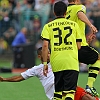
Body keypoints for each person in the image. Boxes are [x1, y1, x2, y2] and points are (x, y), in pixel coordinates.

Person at [41, 1, 82, 100]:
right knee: (70, 92)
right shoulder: (74, 25)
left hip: (57, 62)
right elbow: (79, 46)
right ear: (66, 12)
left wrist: (45, 63)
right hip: (71, 61)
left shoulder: (48, 26)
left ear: (54, 12)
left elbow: (45, 46)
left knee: (59, 92)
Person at [65, 0, 100, 97]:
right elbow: (80, 14)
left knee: (70, 77)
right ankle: (89, 85)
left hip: (67, 48)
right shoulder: (80, 7)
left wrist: (87, 40)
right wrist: (91, 25)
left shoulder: (65, 11)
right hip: (78, 45)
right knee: (97, 58)